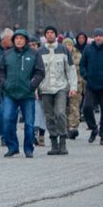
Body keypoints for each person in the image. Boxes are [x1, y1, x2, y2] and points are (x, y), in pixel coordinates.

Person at [0, 29, 45, 158]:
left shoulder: (34, 54)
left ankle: (28, 148)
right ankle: (12, 147)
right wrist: (4, 84)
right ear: (13, 40)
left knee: (29, 123)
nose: (19, 40)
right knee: (7, 119)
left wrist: (32, 85)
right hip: (10, 93)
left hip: (27, 94)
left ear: (26, 40)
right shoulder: (7, 54)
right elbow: (1, 72)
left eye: (21, 38)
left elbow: (40, 72)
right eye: (17, 38)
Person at [37, 26, 78, 156]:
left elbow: (71, 69)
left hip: (61, 87)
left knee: (60, 113)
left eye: (52, 33)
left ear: (55, 35)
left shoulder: (63, 50)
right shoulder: (40, 51)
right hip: (45, 88)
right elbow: (36, 72)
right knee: (49, 116)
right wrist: (35, 88)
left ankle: (63, 141)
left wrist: (73, 87)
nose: (49, 35)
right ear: (45, 36)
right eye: (47, 33)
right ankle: (54, 142)